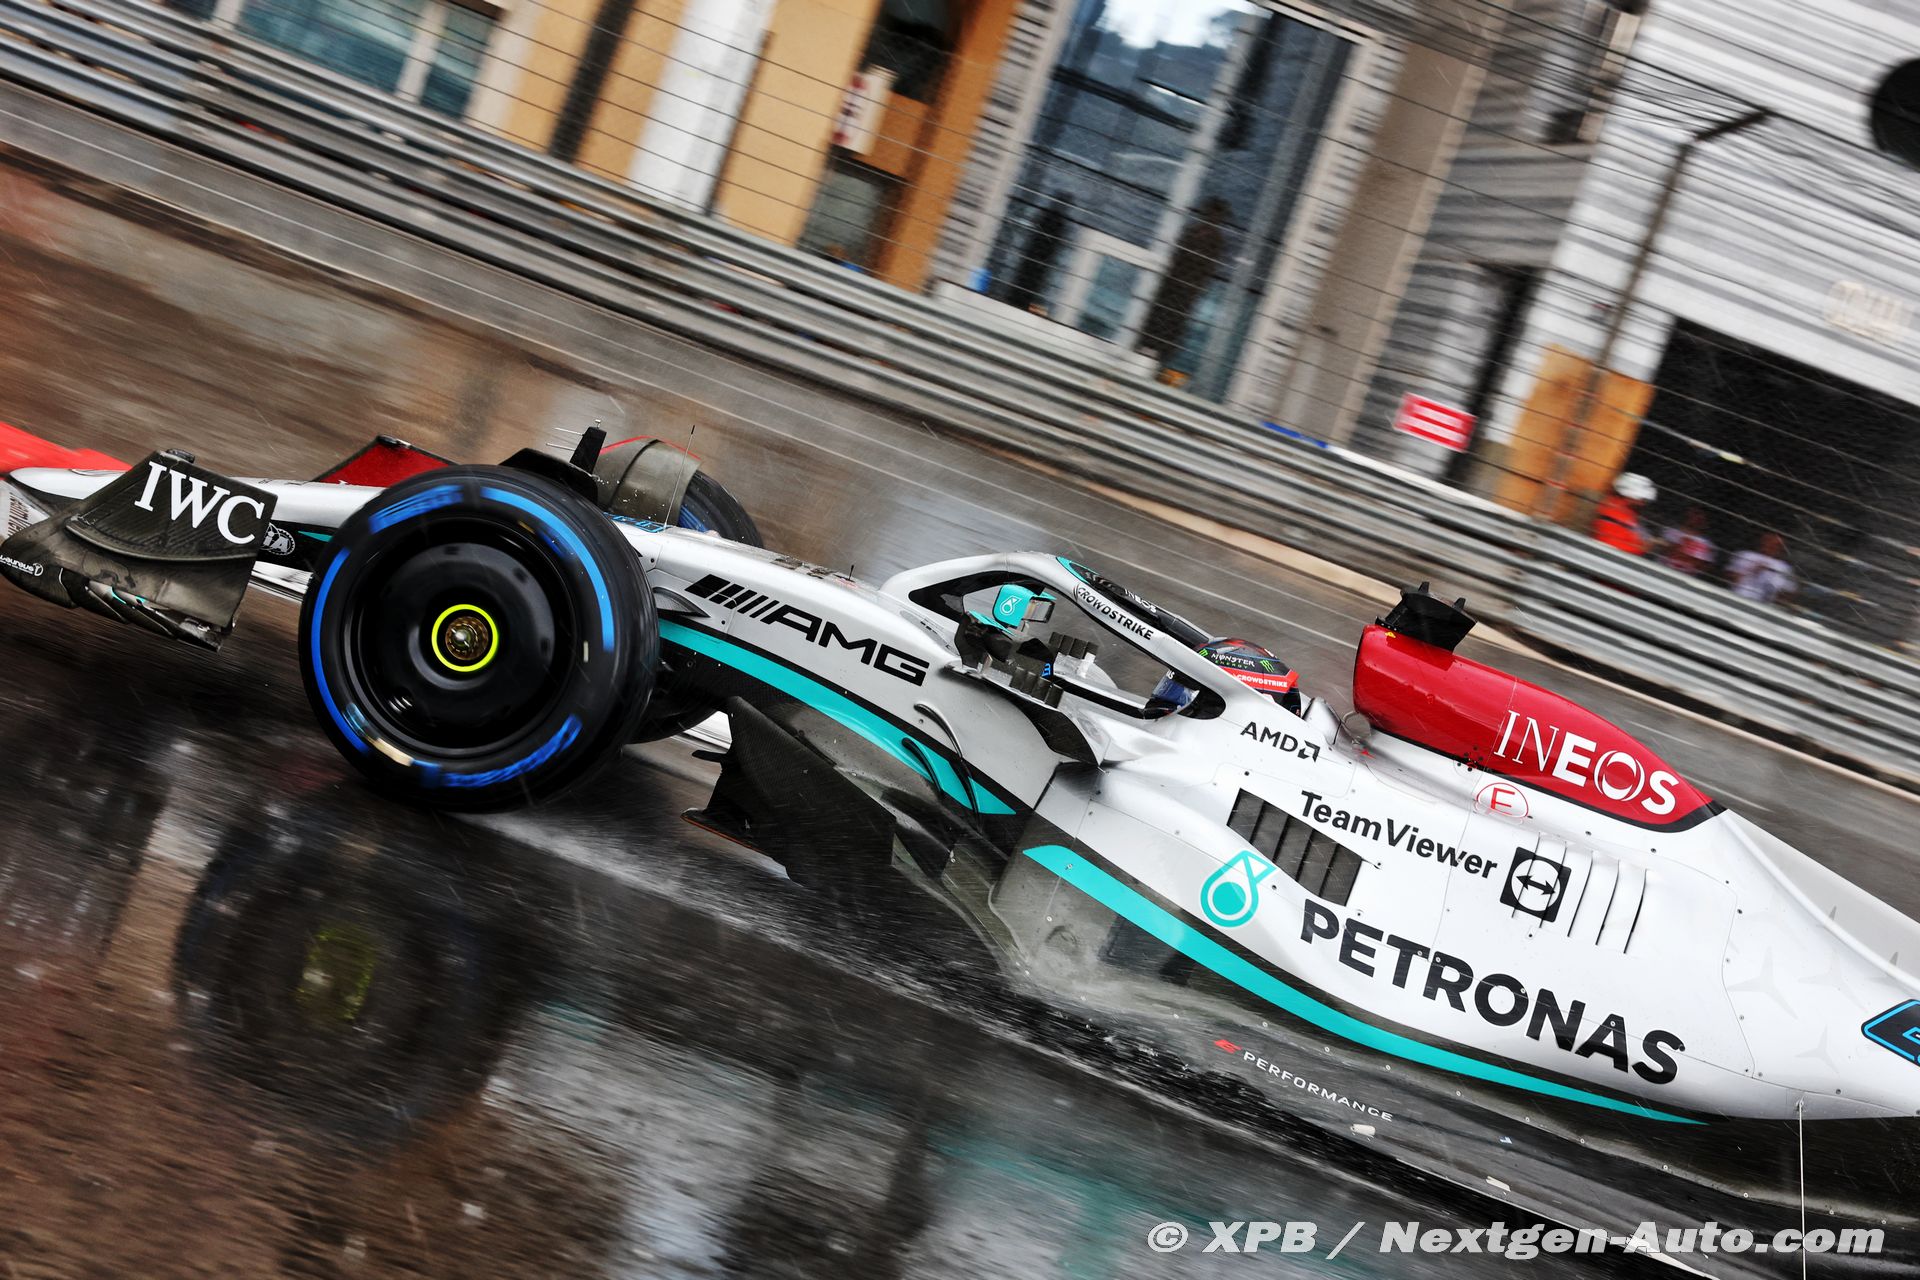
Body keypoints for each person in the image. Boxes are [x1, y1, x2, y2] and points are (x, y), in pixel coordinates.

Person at [1137, 197, 1232, 368]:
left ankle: (1158, 355)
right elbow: (1179, 255)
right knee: (1160, 316)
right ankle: (1147, 347)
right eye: (1210, 212)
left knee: (1172, 321)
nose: (1211, 216)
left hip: (1185, 288)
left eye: (1215, 214)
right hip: (1175, 284)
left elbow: (1207, 266)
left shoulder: (1214, 240)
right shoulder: (1194, 231)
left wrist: (1193, 285)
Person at [1591, 472, 1657, 555]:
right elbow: (1609, 545)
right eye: (1642, 500)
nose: (1642, 504)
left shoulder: (1627, 512)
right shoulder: (1613, 511)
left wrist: (1644, 543)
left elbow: (1629, 535)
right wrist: (1642, 548)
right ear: (1631, 495)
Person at [1728, 531, 1796, 604]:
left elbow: (1790, 592)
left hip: (1764, 605)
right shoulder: (1746, 555)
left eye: (1777, 545)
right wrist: (1752, 570)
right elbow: (1729, 577)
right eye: (1769, 542)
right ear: (1763, 542)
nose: (1771, 546)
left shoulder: (1784, 567)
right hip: (1738, 597)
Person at [1658, 507, 1716, 576]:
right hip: (1659, 570)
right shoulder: (1669, 531)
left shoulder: (1708, 545)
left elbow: (1704, 567)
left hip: (1685, 578)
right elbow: (1659, 550)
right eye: (1696, 513)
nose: (1699, 517)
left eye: (1703, 516)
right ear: (1688, 513)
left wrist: (1679, 549)